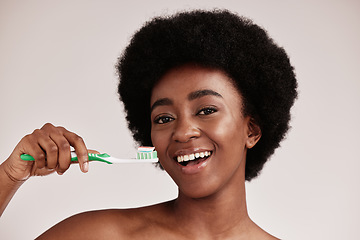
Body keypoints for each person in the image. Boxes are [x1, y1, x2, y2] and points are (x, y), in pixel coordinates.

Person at [0, 9, 297, 239]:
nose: (182, 132)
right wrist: (9, 176)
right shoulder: (98, 235)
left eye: (206, 110)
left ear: (252, 130)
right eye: (164, 118)